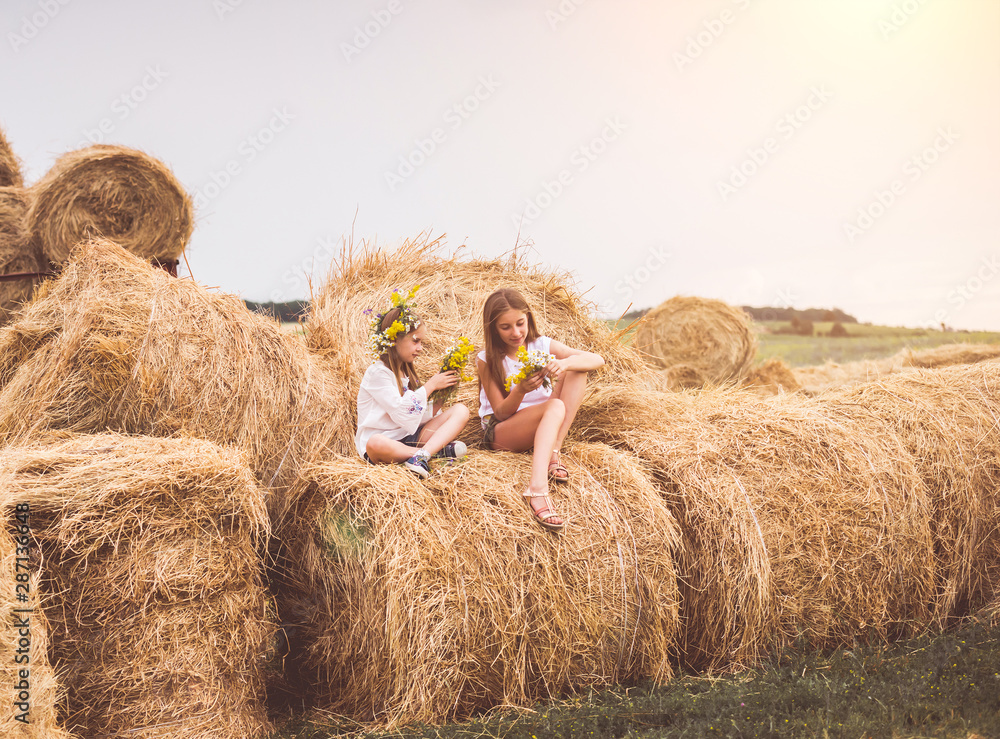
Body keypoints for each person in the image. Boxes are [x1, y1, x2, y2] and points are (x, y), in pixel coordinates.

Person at [476, 287, 604, 531]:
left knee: (577, 369)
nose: (516, 333)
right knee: (554, 405)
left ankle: (553, 449)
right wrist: (520, 390)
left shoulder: (540, 344)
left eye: (520, 323)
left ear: (528, 318)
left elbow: (597, 359)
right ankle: (537, 490)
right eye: (505, 327)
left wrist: (564, 363)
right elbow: (501, 412)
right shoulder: (487, 359)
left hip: (544, 421)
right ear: (493, 328)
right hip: (503, 431)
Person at [356, 287, 470, 478]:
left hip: (410, 438)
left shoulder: (406, 373)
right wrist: (430, 385)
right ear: (394, 339)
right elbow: (402, 412)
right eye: (416, 341)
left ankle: (423, 455)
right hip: (387, 445)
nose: (420, 348)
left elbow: (415, 417)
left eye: (422, 343)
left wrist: (441, 395)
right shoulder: (378, 373)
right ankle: (432, 453)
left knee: (461, 410)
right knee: (375, 442)